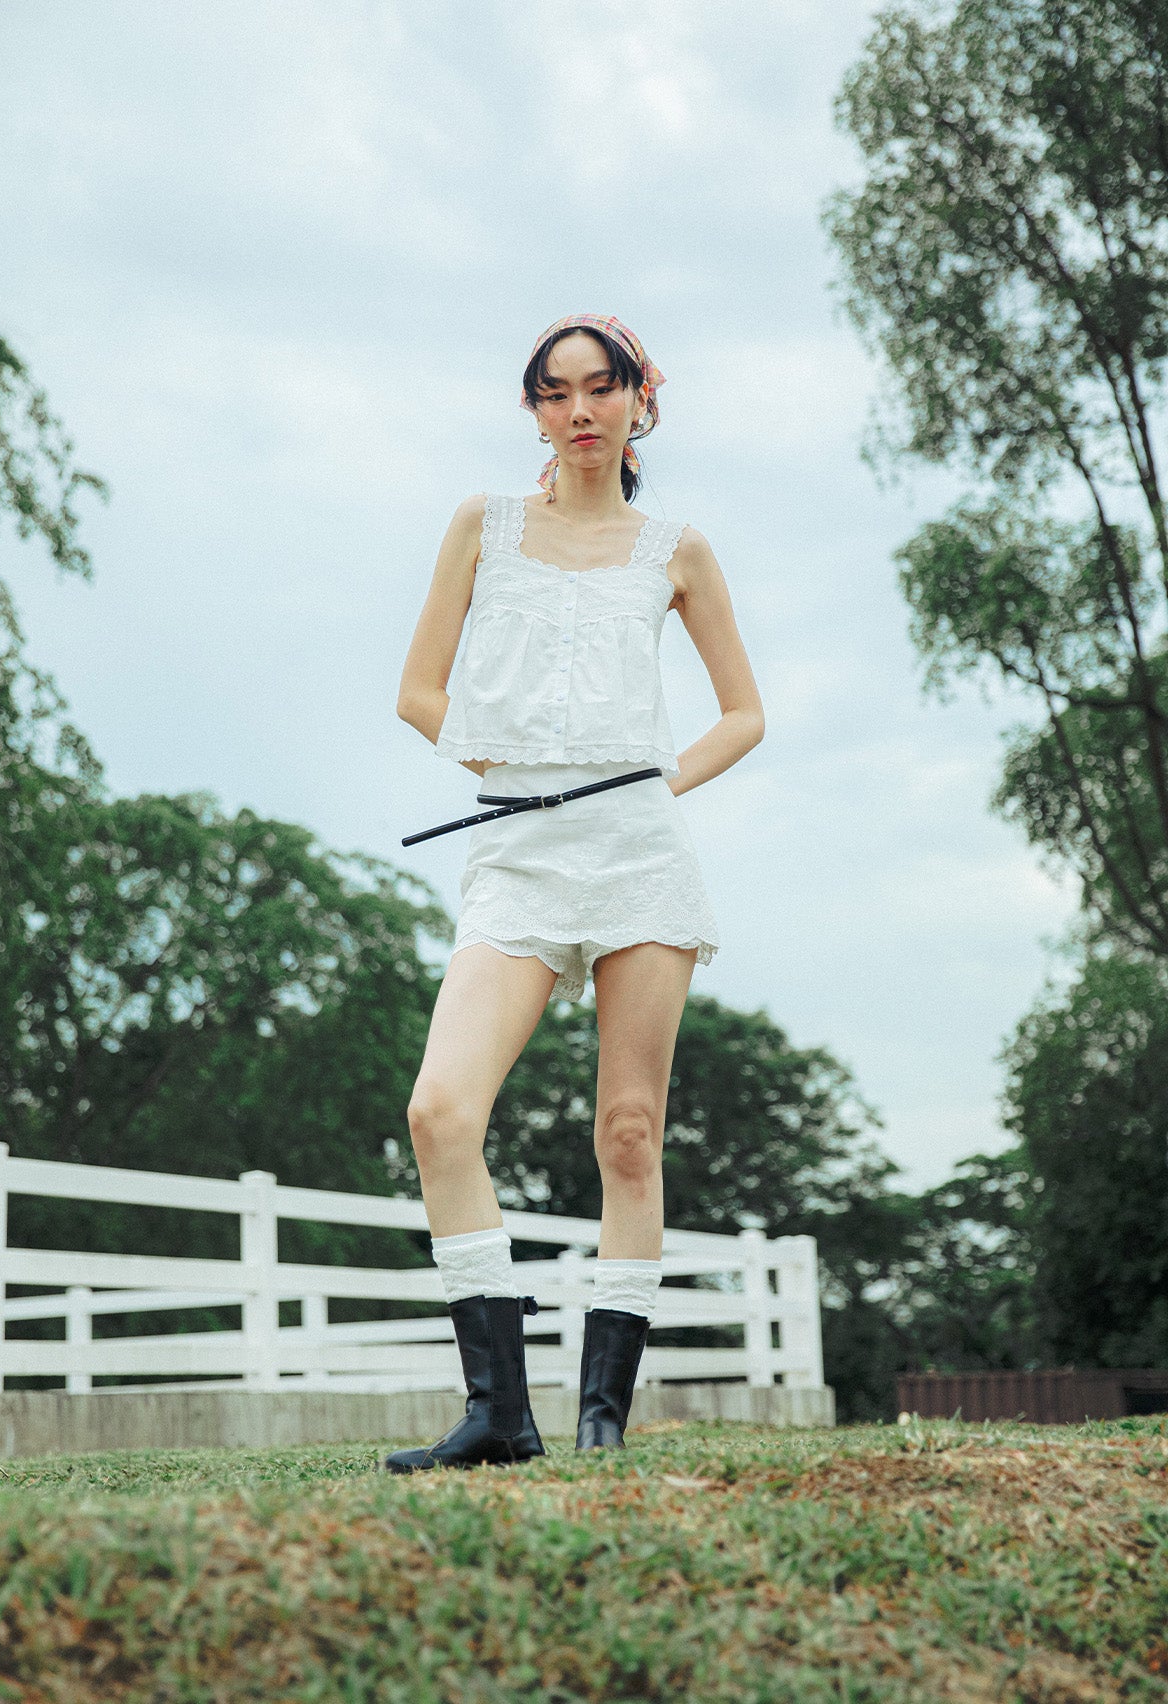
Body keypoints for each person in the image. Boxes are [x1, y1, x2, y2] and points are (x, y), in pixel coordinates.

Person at [390, 312, 764, 1473]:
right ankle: (499, 1413)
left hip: (637, 851)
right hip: (516, 850)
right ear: (534, 412)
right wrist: (511, 764)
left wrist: (653, 782)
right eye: (556, 393)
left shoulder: (678, 550)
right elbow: (417, 692)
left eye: (602, 387)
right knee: (440, 1113)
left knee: (629, 1133)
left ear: (642, 400)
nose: (581, 410)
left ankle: (603, 1416)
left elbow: (744, 715)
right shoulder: (483, 526)